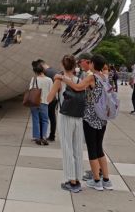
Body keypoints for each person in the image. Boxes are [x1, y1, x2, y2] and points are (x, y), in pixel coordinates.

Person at [60, 54, 113, 191]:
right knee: (99, 147)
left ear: (93, 64)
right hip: (102, 118)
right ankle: (106, 179)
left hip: (90, 117)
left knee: (92, 148)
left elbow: (78, 87)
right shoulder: (105, 77)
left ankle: (96, 180)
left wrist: (63, 78)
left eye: (90, 63)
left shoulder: (92, 77)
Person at [46, 55, 85, 193]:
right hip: (78, 116)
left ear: (62, 65)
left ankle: (71, 181)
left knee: (67, 147)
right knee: (77, 148)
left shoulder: (60, 80)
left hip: (65, 116)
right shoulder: (79, 80)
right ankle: (78, 178)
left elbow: (49, 98)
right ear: (75, 66)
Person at [29, 60, 52, 145]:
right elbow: (51, 91)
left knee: (36, 119)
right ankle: (44, 137)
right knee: (45, 120)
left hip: (35, 102)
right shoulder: (49, 80)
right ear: (43, 70)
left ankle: (37, 137)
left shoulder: (34, 79)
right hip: (44, 102)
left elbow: (30, 89)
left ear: (35, 71)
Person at [39, 60, 57, 142]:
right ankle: (52, 135)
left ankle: (42, 135)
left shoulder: (46, 73)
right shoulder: (54, 70)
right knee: (52, 117)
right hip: (54, 98)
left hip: (47, 98)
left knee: (43, 118)